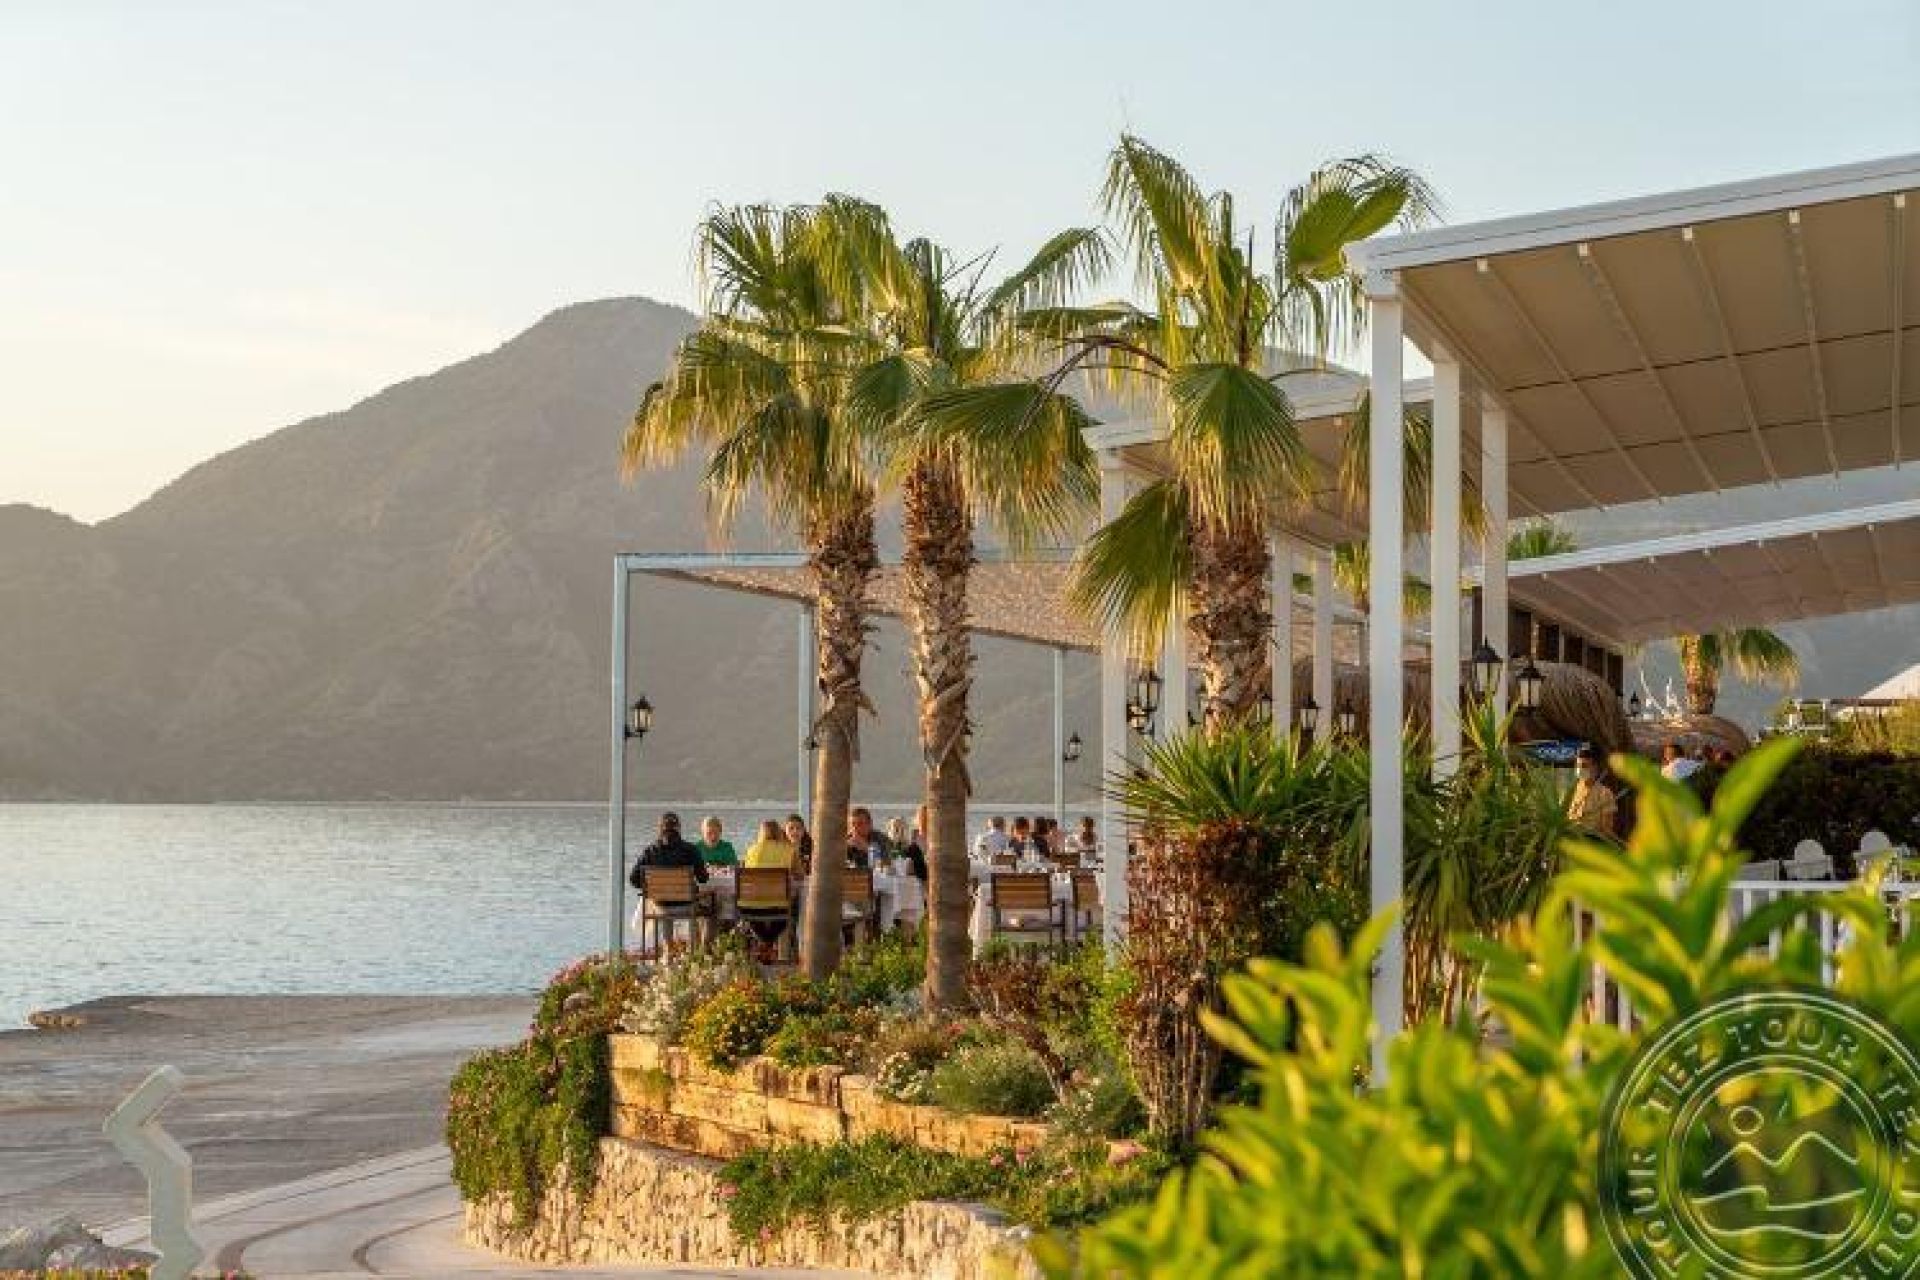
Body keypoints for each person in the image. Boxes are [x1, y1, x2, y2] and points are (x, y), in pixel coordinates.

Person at [739, 819, 796, 949]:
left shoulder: (751, 850)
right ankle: (768, 944)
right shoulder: (789, 850)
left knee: (753, 918)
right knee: (792, 911)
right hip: (780, 907)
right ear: (779, 833)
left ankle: (765, 944)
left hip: (750, 907)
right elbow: (800, 875)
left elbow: (747, 872)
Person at [1567, 746, 1619, 836]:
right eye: (1578, 766)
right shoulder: (1571, 792)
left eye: (1584, 766)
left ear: (1594, 768)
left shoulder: (1605, 794)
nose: (1580, 769)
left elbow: (1607, 830)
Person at [886, 815, 928, 882]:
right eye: (896, 828)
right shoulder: (884, 849)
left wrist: (913, 870)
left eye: (903, 829)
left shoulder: (914, 849)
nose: (900, 832)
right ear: (889, 831)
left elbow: (923, 875)